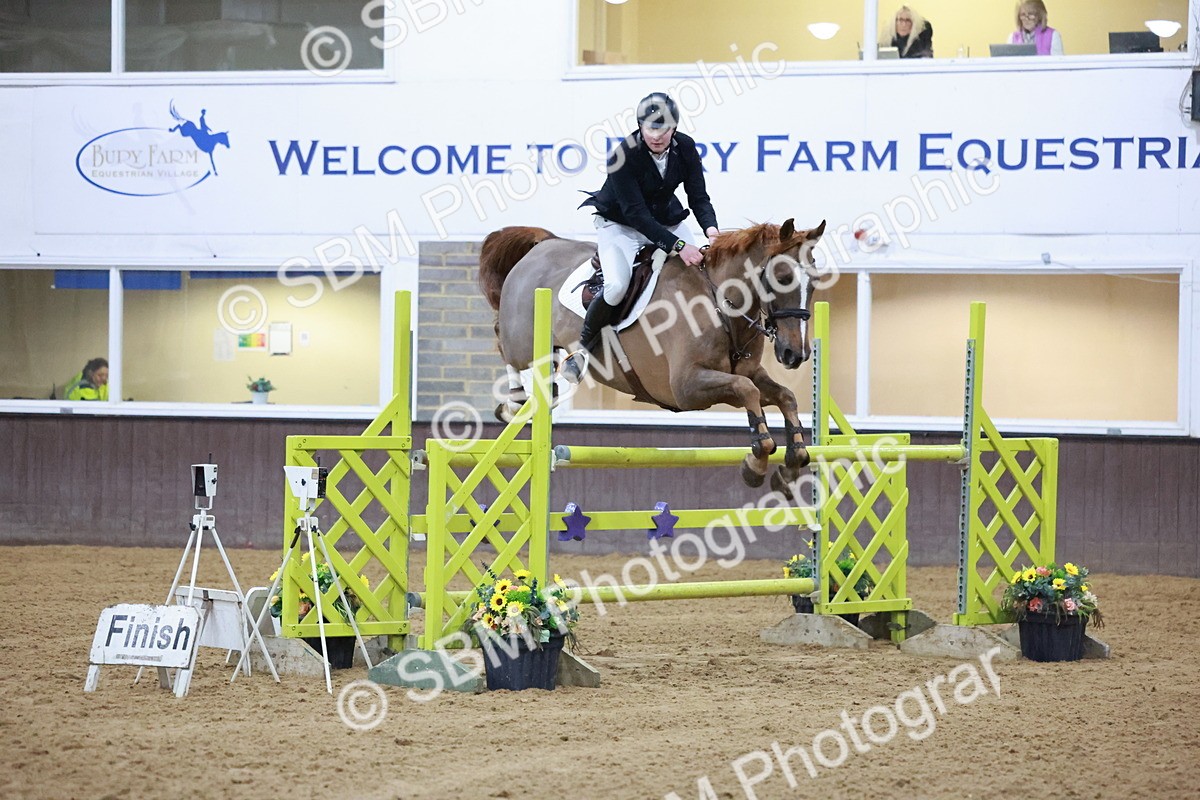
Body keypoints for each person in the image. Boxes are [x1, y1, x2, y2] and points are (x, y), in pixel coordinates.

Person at [565, 92, 720, 382]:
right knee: (616, 286)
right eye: (650, 128)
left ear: (674, 128)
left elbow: (698, 197)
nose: (657, 136)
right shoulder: (622, 155)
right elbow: (636, 215)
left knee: (704, 268)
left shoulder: (685, 147)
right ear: (640, 126)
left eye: (664, 129)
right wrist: (679, 246)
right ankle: (582, 352)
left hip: (664, 218)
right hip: (620, 225)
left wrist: (712, 231)